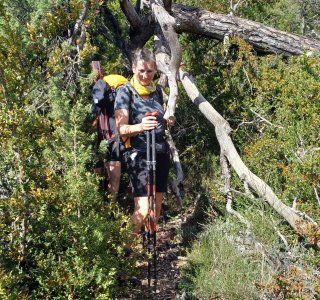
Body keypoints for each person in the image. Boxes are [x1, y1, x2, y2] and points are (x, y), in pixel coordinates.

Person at [114, 48, 174, 235]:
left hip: (160, 152)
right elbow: (121, 128)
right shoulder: (125, 92)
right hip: (139, 154)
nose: (145, 75)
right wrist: (140, 126)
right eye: (141, 70)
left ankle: (146, 252)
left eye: (149, 71)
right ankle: (123, 251)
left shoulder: (157, 91)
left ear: (155, 69)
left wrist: (168, 120)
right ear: (133, 68)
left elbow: (161, 118)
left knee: (155, 208)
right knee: (143, 209)